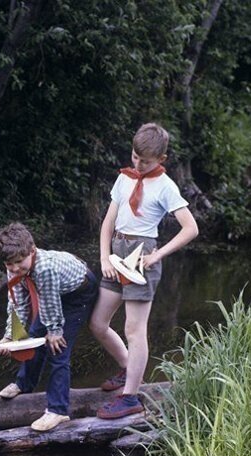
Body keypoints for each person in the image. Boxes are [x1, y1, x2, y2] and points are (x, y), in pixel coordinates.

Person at [90, 122, 199, 418]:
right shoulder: (124, 179)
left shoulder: (165, 186)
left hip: (142, 256)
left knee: (134, 330)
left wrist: (157, 255)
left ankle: (131, 397)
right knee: (99, 323)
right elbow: (108, 222)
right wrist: (104, 258)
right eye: (135, 158)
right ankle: (128, 369)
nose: (138, 165)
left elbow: (191, 228)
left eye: (145, 162)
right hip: (116, 253)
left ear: (161, 159)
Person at [0, 222, 98, 432]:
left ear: (32, 251)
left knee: (58, 349)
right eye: (9, 264)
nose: (14, 268)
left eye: (19, 262)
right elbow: (17, 303)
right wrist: (10, 337)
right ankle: (24, 384)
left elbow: (50, 303)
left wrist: (55, 331)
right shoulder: (14, 267)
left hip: (78, 293)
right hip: (53, 294)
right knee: (33, 337)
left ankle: (58, 410)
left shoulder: (45, 268)